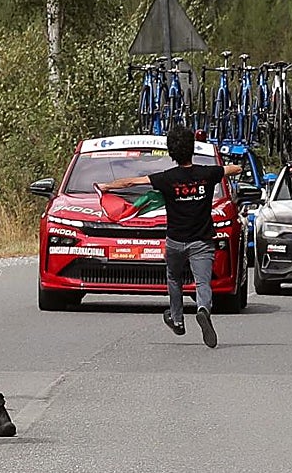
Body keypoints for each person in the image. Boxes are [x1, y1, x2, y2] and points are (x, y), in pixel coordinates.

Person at [95, 125, 242, 349]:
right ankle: (203, 309)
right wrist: (229, 166)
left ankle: (177, 319)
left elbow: (131, 183)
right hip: (202, 240)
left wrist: (105, 186)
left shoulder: (165, 178)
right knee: (203, 282)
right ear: (192, 149)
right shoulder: (207, 173)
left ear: (171, 153)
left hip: (175, 241)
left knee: (174, 278)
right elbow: (235, 169)